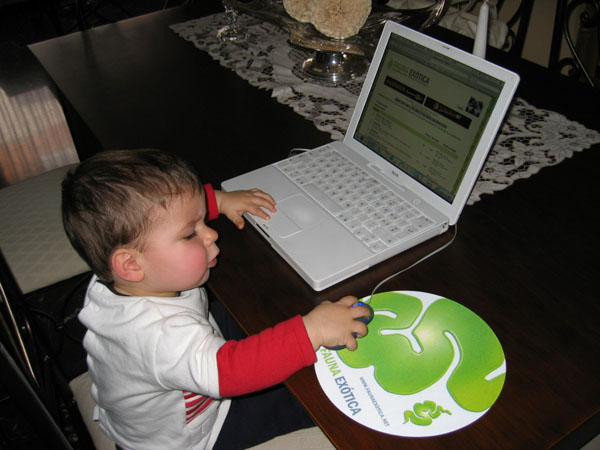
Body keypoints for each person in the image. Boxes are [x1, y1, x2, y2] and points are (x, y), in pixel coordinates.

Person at [62, 149, 369, 450]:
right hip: (193, 434)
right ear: (131, 265)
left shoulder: (116, 279)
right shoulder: (161, 336)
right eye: (190, 234)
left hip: (156, 391)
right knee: (303, 396)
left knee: (259, 322)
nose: (210, 235)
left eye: (202, 220)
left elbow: (169, 211)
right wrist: (312, 331)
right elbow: (230, 372)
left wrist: (219, 201)